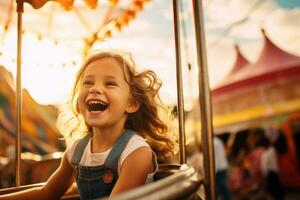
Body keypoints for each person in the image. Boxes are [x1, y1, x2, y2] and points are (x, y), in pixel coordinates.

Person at [0, 50, 174, 199]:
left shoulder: (136, 153)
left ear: (132, 103)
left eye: (110, 83)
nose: (95, 89)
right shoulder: (77, 152)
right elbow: (46, 193)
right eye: (88, 82)